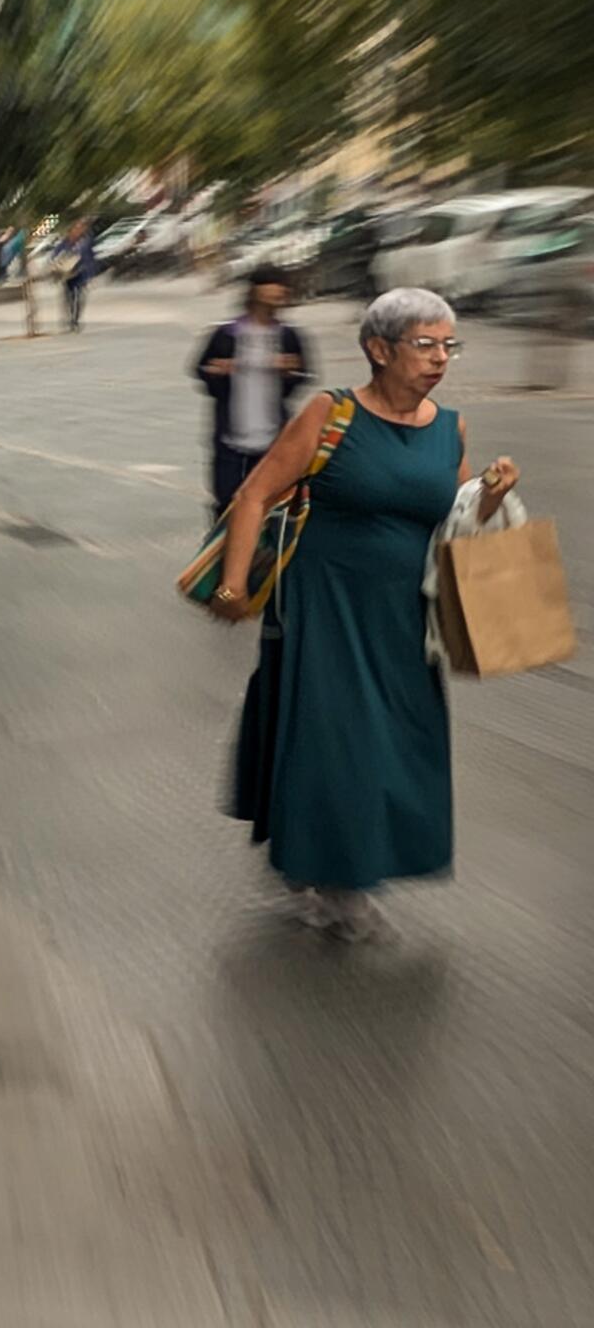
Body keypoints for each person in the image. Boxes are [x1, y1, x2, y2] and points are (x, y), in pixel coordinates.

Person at [213, 289, 520, 938]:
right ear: (378, 349)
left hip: (406, 615)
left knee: (399, 740)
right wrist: (234, 586)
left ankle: (329, 856)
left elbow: (458, 521)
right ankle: (338, 881)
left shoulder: (449, 426)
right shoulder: (332, 414)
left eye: (448, 345)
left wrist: (491, 496)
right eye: (425, 344)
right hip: (325, 604)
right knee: (340, 739)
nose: (440, 358)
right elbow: (253, 494)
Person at [193, 266, 312, 520]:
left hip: (274, 439)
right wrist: (218, 372)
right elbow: (200, 370)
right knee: (227, 505)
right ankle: (223, 556)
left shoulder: (288, 336)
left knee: (274, 506)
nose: (277, 293)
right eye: (271, 285)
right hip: (231, 438)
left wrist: (290, 372)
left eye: (281, 288)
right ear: (254, 291)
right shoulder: (226, 334)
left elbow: (305, 376)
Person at [63, 220, 96, 330]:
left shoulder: (86, 242)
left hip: (81, 274)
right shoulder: (66, 243)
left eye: (80, 228)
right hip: (68, 275)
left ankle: (75, 320)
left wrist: (91, 274)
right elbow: (56, 254)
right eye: (76, 228)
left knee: (80, 298)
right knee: (69, 298)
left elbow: (90, 258)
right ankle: (70, 319)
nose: (78, 231)